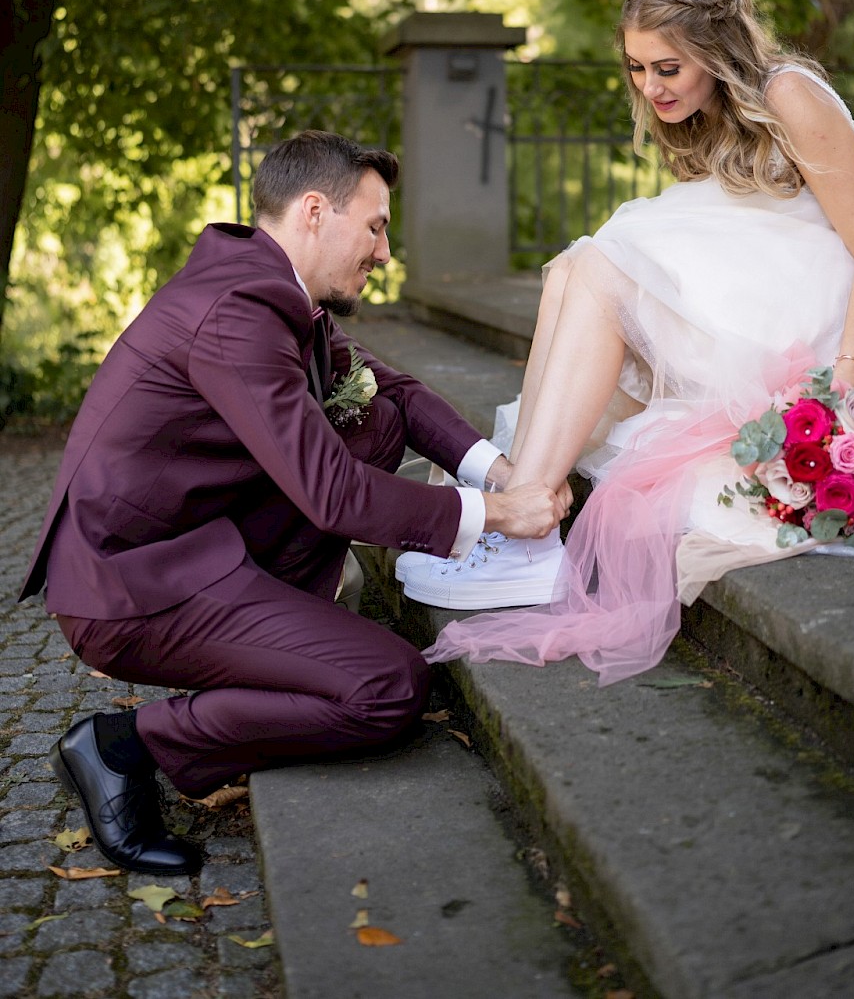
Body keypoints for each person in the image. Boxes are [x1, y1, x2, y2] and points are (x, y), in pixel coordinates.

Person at [398, 0, 854, 683]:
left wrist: (847, 378)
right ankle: (523, 511)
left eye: (668, 67)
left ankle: (523, 524)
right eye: (638, 68)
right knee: (576, 268)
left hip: (839, 298)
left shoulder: (790, 92)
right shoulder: (704, 116)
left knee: (603, 266)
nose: (651, 86)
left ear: (716, 49)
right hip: (768, 283)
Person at [20, 131, 566, 874]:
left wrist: (500, 473)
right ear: (315, 211)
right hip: (135, 585)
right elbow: (332, 493)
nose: (382, 251)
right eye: (374, 226)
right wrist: (499, 517)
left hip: (199, 543)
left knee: (374, 412)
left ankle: (285, 630)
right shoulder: (239, 311)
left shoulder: (273, 291)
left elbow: (395, 389)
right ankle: (124, 746)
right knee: (388, 686)